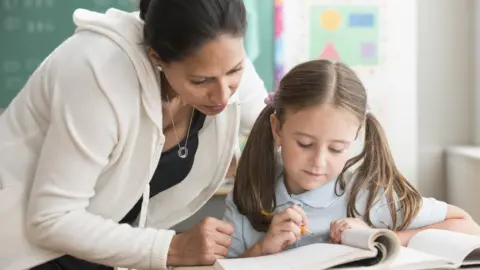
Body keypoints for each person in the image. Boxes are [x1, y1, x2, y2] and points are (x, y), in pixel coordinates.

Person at [0, 0, 268, 269]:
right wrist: (172, 249)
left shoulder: (218, 53)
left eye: (235, 70)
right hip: (23, 250)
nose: (223, 95)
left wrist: (285, 212)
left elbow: (277, 131)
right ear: (156, 58)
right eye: (200, 81)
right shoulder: (96, 72)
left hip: (100, 253)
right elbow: (51, 219)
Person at [223, 59, 480, 258]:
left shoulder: (369, 198)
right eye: (305, 144)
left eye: (336, 149)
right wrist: (262, 250)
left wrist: (380, 237)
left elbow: (466, 225)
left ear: (353, 138)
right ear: (277, 129)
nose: (319, 161)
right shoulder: (248, 196)